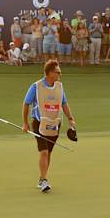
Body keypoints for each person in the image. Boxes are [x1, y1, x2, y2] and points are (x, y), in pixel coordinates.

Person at [22, 60, 76, 194]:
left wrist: (70, 118)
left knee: (49, 153)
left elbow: (64, 103)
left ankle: (42, 178)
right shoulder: (36, 86)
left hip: (55, 123)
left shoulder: (59, 87)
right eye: (57, 72)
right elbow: (26, 104)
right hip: (39, 123)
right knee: (44, 151)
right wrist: (25, 123)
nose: (60, 74)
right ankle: (45, 180)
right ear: (49, 73)